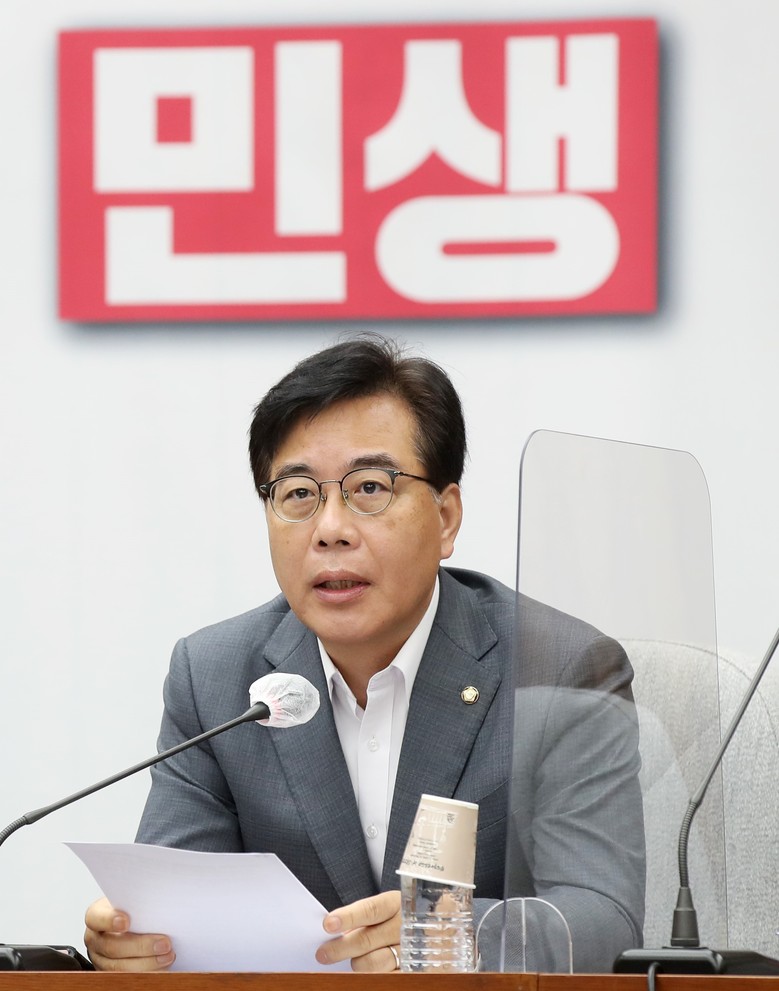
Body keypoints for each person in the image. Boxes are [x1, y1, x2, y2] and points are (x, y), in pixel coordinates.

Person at [84, 335, 645, 973]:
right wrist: (139, 938)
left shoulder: (561, 668)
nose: (331, 529)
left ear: (446, 517)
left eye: (370, 487)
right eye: (299, 494)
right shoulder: (215, 679)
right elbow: (179, 908)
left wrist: (445, 938)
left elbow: (603, 921)